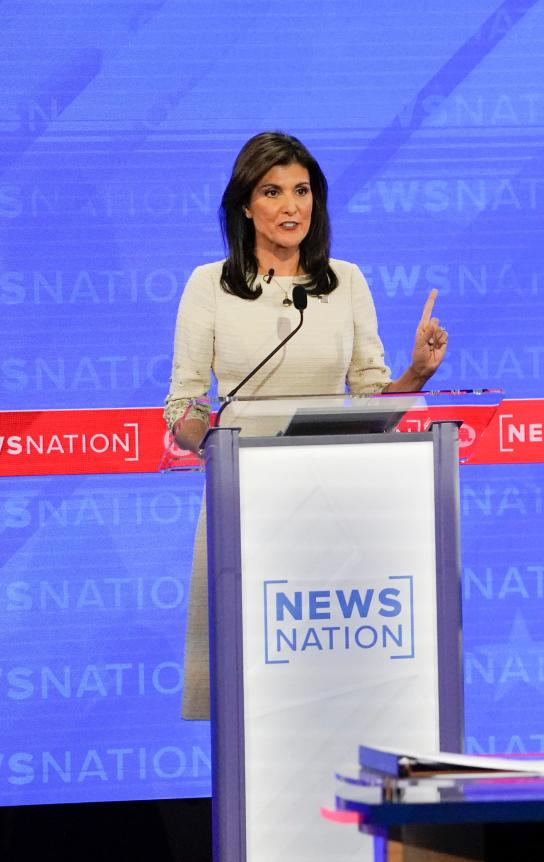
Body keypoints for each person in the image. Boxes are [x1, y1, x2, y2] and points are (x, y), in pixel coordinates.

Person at [164, 131, 447, 720]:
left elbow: (372, 400)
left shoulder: (345, 282)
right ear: (245, 205)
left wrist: (417, 372)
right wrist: (204, 434)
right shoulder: (208, 287)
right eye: (272, 191)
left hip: (335, 498)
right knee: (252, 684)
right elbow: (185, 404)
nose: (291, 206)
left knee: (330, 682)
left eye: (302, 190)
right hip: (244, 497)